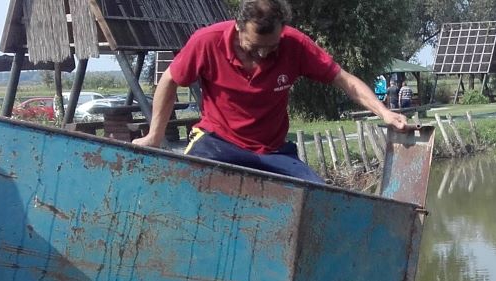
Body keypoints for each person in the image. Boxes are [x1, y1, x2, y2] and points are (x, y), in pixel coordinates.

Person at [134, 0, 409, 184]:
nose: (264, 53)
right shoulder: (207, 41)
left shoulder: (295, 44)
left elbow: (343, 79)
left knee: (319, 195)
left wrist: (384, 112)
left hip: (273, 151)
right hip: (218, 142)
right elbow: (170, 79)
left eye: (272, 45)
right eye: (255, 46)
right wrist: (154, 136)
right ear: (238, 28)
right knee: (189, 182)